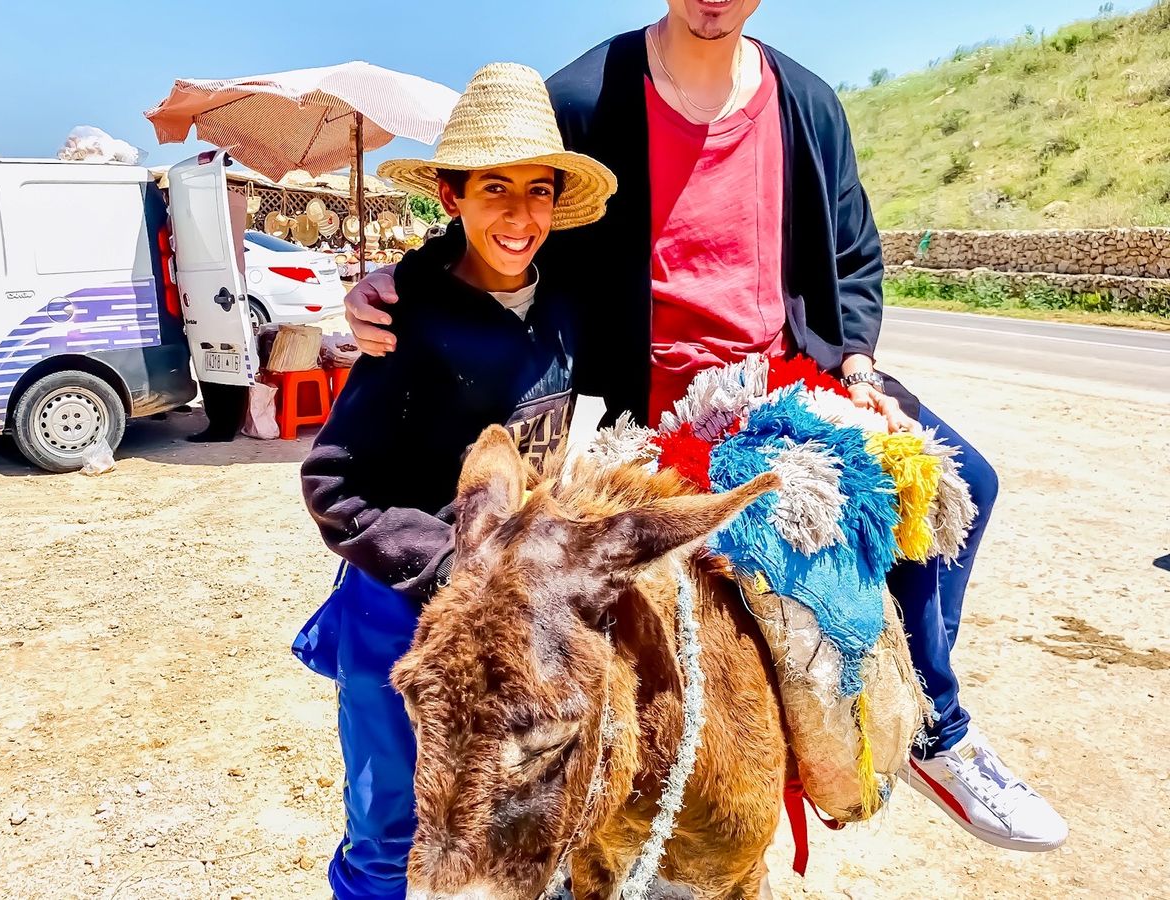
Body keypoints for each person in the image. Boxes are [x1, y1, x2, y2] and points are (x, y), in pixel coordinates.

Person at [344, 1, 1067, 852]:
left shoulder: (806, 102)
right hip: (652, 409)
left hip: (787, 382)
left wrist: (859, 365)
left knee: (964, 478)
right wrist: (407, 281)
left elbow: (853, 254)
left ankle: (936, 728)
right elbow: (504, 210)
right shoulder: (584, 97)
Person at [292, 63, 617, 900]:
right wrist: (449, 566)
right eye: (494, 189)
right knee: (393, 829)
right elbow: (333, 482)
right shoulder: (407, 323)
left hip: (519, 611)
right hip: (402, 612)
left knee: (512, 813)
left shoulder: (566, 306)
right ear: (451, 195)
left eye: (538, 191)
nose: (519, 215)